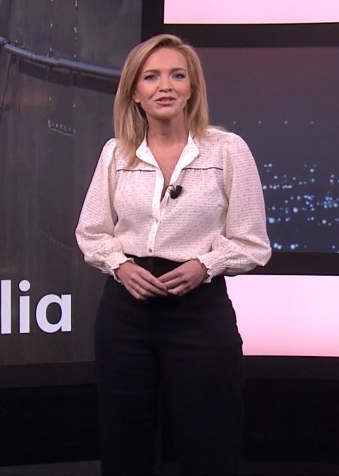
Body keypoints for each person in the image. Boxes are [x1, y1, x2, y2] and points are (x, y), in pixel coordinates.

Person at [75, 34, 271, 474]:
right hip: (126, 312)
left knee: (210, 442)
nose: (165, 86)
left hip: (198, 311)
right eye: (151, 77)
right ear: (135, 92)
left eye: (177, 75)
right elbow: (91, 231)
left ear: (192, 88)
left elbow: (253, 243)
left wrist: (205, 265)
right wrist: (120, 266)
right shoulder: (116, 153)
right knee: (125, 442)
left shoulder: (227, 150)